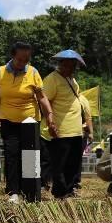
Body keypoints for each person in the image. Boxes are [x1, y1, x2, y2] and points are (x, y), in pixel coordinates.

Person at [0, 41, 53, 202]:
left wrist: (50, 117)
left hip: (30, 122)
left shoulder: (33, 73)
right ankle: (13, 191)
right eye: (20, 59)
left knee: (29, 155)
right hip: (8, 120)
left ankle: (30, 189)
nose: (23, 63)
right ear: (12, 56)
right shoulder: (0, 73)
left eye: (26, 60)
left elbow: (42, 98)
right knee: (11, 154)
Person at [42, 50, 93, 199]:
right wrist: (51, 124)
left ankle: (70, 190)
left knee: (73, 164)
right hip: (61, 130)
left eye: (74, 66)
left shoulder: (72, 80)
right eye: (69, 66)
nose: (71, 69)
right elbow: (45, 103)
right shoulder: (52, 79)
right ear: (61, 64)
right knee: (60, 164)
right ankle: (60, 192)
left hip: (76, 131)